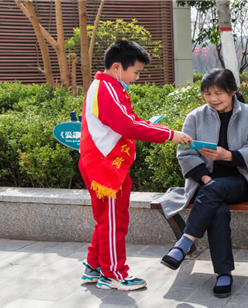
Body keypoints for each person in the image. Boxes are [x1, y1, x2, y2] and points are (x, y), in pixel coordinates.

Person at [158, 68, 248, 298]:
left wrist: (228, 156)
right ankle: (223, 273)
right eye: (207, 93)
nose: (213, 98)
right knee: (218, 210)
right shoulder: (195, 116)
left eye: (218, 93)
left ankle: (184, 243)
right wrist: (205, 178)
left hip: (242, 180)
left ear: (233, 91)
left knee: (214, 191)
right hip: (207, 183)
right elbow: (185, 154)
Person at [79, 40, 192, 291]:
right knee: (112, 221)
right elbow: (128, 126)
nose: (137, 78)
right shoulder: (106, 89)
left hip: (107, 164)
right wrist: (169, 134)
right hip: (105, 167)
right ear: (118, 67)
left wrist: (154, 127)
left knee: (108, 220)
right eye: (137, 72)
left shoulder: (109, 87)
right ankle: (113, 274)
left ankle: (94, 267)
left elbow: (128, 120)